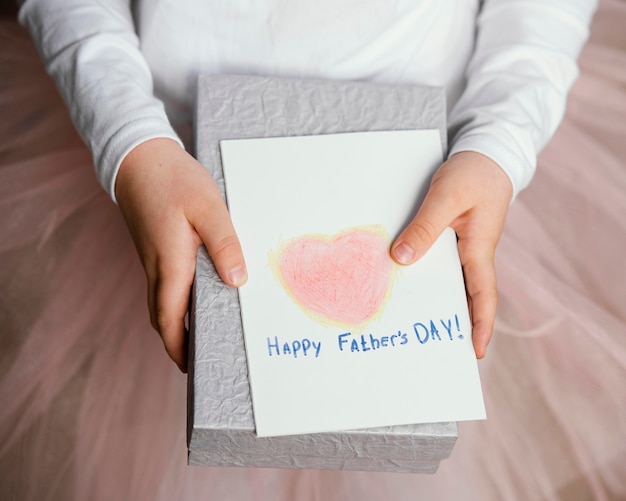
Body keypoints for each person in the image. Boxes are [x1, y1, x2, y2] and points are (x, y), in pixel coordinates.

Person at [17, 0, 596, 372]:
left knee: (388, 406)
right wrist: (129, 140)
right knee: (224, 372)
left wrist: (497, 146)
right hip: (169, 140)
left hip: (429, 167)